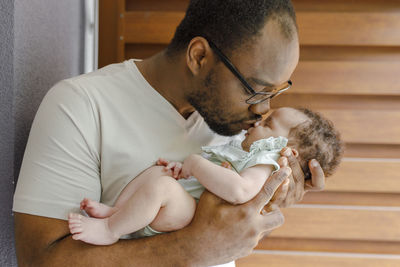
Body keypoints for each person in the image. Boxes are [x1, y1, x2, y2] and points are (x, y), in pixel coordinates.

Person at [13, 1, 326, 266]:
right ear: (199, 57)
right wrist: (191, 248)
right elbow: (40, 258)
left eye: (276, 92)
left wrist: (281, 187)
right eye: (256, 90)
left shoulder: (241, 131)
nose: (263, 111)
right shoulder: (81, 106)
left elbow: (233, 228)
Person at [67, 107, 343, 246]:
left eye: (269, 123)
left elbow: (240, 191)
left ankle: (110, 230)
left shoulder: (268, 163)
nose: (259, 121)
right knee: (160, 172)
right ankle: (120, 212)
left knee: (162, 187)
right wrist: (184, 170)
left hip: (193, 213)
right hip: (191, 198)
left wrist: (196, 165)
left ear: (287, 150)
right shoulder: (248, 151)